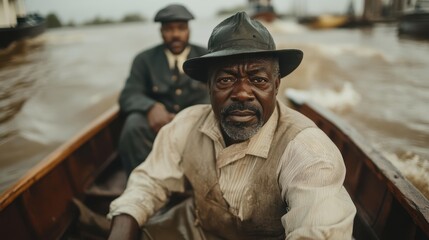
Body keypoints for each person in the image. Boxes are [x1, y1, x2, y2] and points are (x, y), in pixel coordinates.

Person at [108, 12, 356, 240]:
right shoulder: (186, 124)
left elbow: (319, 230)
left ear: (277, 85)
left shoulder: (308, 150)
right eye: (226, 79)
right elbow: (147, 183)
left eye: (258, 80)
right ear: (209, 87)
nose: (242, 94)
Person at [118, 4, 209, 175]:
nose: (175, 34)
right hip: (159, 128)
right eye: (169, 29)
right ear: (161, 32)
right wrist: (151, 107)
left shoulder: (207, 57)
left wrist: (191, 117)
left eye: (181, 28)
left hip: (198, 124)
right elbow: (129, 94)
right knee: (133, 125)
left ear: (189, 30)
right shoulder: (144, 60)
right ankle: (143, 182)